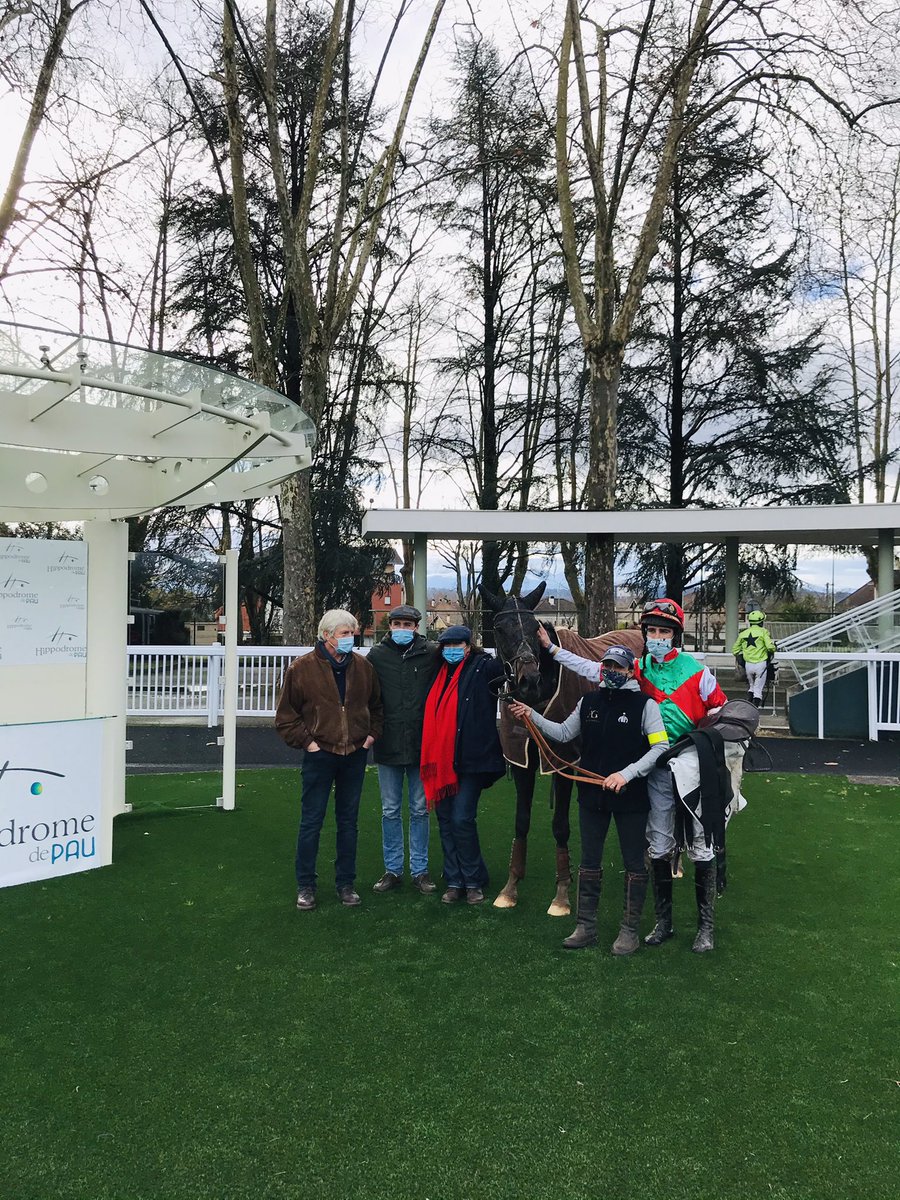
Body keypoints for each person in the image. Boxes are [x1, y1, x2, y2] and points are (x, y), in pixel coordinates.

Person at [538, 598, 727, 953]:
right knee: (658, 843)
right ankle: (664, 922)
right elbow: (589, 668)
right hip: (654, 768)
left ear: (675, 635)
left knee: (699, 842)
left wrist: (703, 742)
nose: (657, 636)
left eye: (664, 631)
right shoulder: (637, 668)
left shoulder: (699, 673)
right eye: (652, 630)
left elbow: (721, 711)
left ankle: (705, 928)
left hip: (689, 764)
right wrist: (551, 649)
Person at [509, 645, 669, 954]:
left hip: (630, 796)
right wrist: (532, 715)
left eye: (618, 667)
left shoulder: (645, 705)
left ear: (629, 671)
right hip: (592, 794)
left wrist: (627, 774)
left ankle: (629, 931)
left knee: (634, 862)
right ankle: (586, 926)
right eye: (607, 665)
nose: (611, 671)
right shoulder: (588, 701)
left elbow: (660, 748)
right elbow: (563, 733)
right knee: (590, 860)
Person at [275, 609, 383, 911]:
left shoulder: (363, 667)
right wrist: (308, 744)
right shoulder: (301, 669)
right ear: (327, 636)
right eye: (344, 633)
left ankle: (346, 884)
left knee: (349, 822)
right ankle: (306, 886)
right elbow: (286, 717)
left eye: (353, 633)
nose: (351, 638)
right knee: (311, 821)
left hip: (354, 755)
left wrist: (371, 736)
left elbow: (377, 707)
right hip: (319, 755)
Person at [420, 625, 506, 905]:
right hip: (441, 759)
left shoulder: (483, 667)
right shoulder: (436, 672)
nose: (452, 650)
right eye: (447, 645)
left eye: (458, 645)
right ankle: (456, 879)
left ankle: (472, 881)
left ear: (469, 646)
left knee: (461, 819)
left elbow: (507, 667)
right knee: (445, 820)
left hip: (471, 759)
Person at [367, 603, 440, 895]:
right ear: (390, 626)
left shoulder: (431, 654)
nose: (402, 629)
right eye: (397, 624)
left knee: (421, 809)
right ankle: (393, 869)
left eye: (407, 625)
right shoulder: (376, 656)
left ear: (416, 627)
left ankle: (420, 870)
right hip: (388, 743)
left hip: (423, 744)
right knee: (390, 810)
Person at [732, 609, 777, 708]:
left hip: (748, 665)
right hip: (761, 664)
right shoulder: (764, 632)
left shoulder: (743, 633)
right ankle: (754, 709)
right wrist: (774, 648)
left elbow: (735, 650)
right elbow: (770, 647)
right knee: (758, 689)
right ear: (761, 621)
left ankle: (748, 705)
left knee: (751, 686)